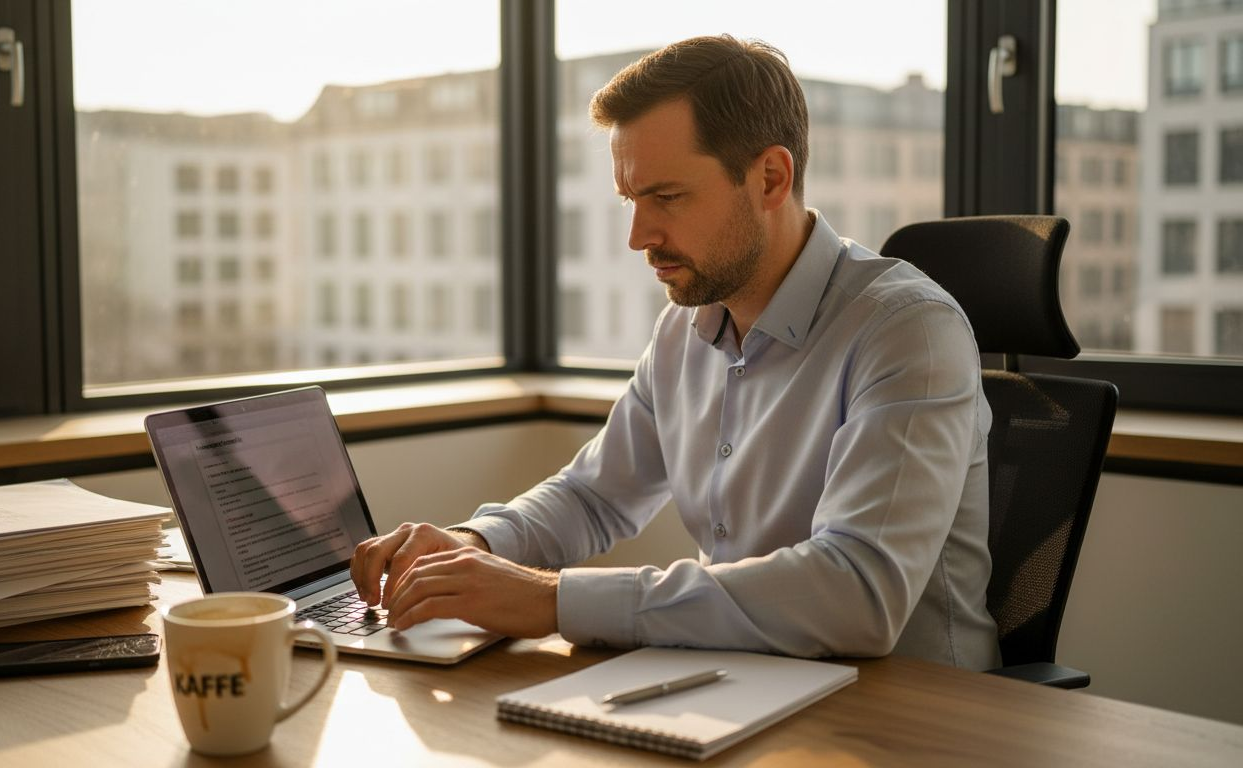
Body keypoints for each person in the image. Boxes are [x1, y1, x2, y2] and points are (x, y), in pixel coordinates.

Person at [351, 35, 1001, 670]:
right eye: (631, 200)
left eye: (666, 197)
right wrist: (475, 545)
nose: (639, 236)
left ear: (771, 178)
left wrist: (553, 601)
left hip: (913, 713)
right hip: (749, 682)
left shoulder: (907, 331)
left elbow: (857, 592)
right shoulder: (684, 328)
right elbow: (594, 497)